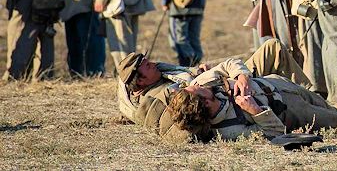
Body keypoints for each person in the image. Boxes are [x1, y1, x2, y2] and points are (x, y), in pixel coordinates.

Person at [157, 45, 337, 142]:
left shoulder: (202, 83)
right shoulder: (229, 130)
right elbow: (275, 133)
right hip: (293, 112)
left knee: (329, 105)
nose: (196, 84)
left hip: (279, 83)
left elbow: (229, 63)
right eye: (197, 89)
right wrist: (256, 111)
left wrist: (242, 76)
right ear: (205, 103)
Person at [116, 38, 314, 129]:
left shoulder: (160, 72)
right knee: (273, 50)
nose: (152, 63)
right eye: (146, 66)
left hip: (225, 80)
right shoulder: (156, 97)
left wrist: (199, 72)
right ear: (140, 81)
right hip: (230, 93)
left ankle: (312, 92)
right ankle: (310, 96)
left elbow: (188, 77)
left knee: (273, 47)